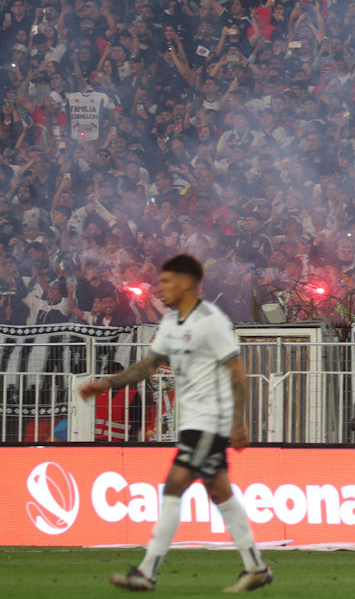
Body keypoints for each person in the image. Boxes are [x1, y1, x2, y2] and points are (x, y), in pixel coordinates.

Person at [78, 254, 272, 593]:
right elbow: (149, 366)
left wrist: (239, 422)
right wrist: (107, 384)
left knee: (173, 485)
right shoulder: (169, 324)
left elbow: (236, 370)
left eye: (167, 281)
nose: (160, 287)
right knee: (221, 492)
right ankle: (256, 567)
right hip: (192, 422)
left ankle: (147, 572)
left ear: (186, 283)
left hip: (210, 420)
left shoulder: (211, 321)